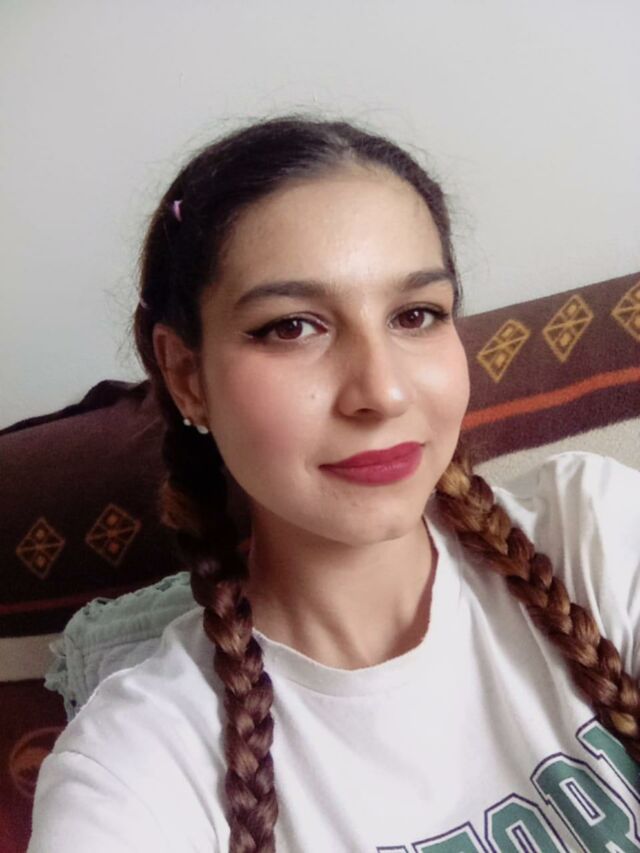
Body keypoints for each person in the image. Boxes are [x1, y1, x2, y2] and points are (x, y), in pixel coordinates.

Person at [28, 114, 640, 853]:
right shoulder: (136, 766)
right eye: (292, 326)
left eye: (416, 315)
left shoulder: (595, 532)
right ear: (187, 376)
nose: (381, 391)